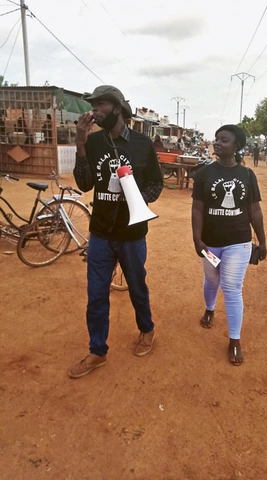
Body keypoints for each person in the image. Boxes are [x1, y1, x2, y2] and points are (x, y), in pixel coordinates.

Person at [69, 85, 163, 379]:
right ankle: (97, 350)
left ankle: (146, 330)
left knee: (137, 286)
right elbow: (84, 184)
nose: (94, 111)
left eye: (100, 105)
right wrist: (81, 146)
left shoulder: (141, 144)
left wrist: (137, 200)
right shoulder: (93, 141)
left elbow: (156, 183)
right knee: (96, 294)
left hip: (132, 234)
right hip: (100, 235)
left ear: (117, 109)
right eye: (93, 105)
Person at [191, 124, 267, 366]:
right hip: (210, 244)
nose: (217, 143)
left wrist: (262, 239)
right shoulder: (204, 173)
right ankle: (210, 308)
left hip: (239, 242)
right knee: (212, 279)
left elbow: (254, 209)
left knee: (232, 286)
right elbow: (198, 207)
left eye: (223, 140)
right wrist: (197, 237)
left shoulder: (246, 176)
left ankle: (235, 339)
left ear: (236, 146)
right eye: (217, 139)